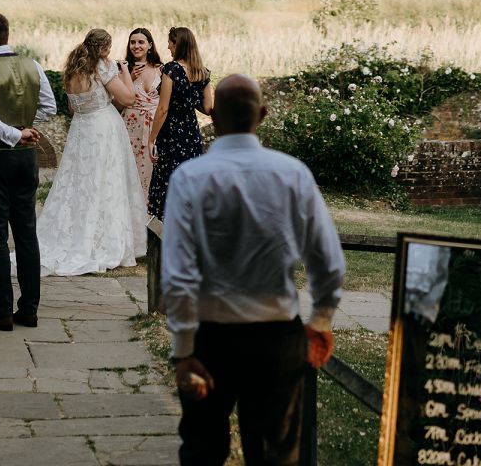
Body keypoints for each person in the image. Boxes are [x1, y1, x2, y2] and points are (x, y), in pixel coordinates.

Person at [161, 74, 345, 466]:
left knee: (202, 451)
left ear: (214, 118)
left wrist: (183, 352)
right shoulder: (292, 173)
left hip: (210, 339)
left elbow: (177, 274)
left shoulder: (189, 178)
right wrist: (322, 319)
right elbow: (328, 261)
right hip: (276, 337)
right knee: (275, 455)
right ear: (261, 115)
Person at [0, 11, 56, 331]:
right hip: (27, 159)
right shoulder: (32, 65)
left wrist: (14, 134)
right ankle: (29, 309)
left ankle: (3, 310)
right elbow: (49, 107)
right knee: (25, 232)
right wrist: (28, 130)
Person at [37, 28, 147, 275]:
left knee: (79, 184)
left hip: (81, 131)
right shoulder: (104, 67)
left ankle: (75, 235)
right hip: (103, 130)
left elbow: (73, 108)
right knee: (107, 182)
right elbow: (128, 99)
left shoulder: (72, 70)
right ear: (105, 48)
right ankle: (104, 241)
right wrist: (125, 71)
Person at [147, 26, 212, 221]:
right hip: (191, 132)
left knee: (168, 179)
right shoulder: (203, 72)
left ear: (179, 44)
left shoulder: (171, 69)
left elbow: (163, 109)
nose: (168, 47)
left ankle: (167, 232)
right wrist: (191, 100)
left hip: (172, 133)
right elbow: (208, 108)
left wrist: (152, 139)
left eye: (170, 43)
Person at [119, 27, 162, 202]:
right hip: (130, 127)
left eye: (141, 42)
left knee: (153, 171)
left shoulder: (162, 69)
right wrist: (128, 76)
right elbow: (116, 103)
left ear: (150, 45)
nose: (136, 46)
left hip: (154, 127)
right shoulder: (122, 69)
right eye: (133, 42)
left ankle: (151, 216)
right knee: (130, 172)